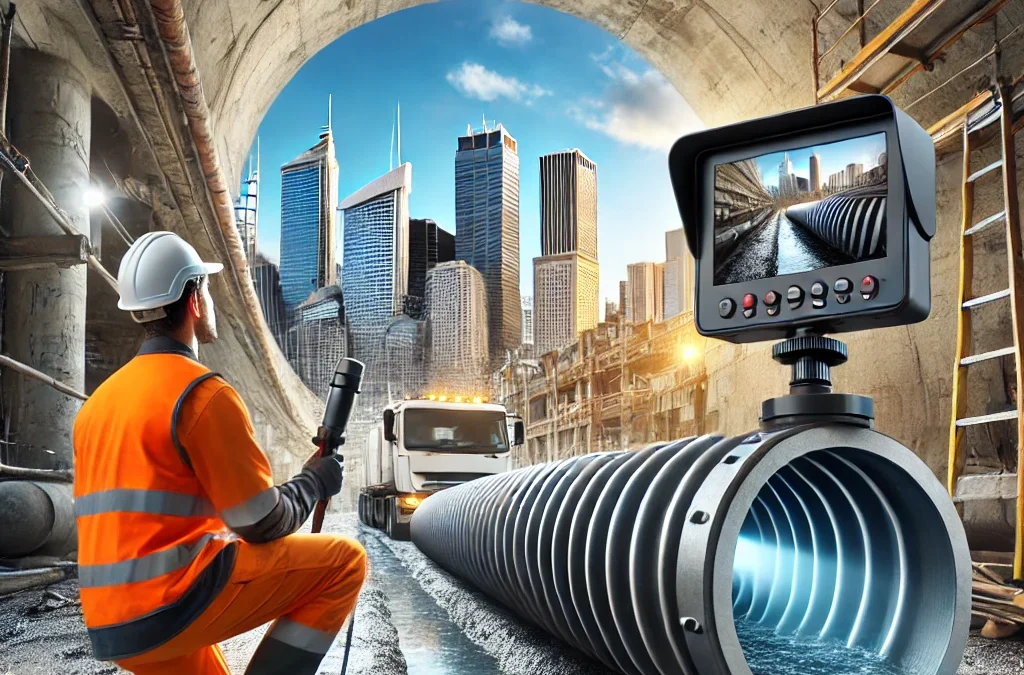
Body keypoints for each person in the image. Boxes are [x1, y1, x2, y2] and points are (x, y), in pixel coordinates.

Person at [72, 231, 367, 674]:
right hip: (173, 605)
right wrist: (316, 480)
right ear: (193, 300)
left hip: (112, 625)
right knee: (345, 562)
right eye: (206, 287)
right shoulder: (201, 395)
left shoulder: (95, 407)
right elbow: (262, 522)